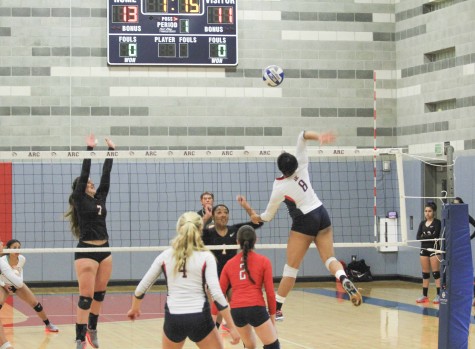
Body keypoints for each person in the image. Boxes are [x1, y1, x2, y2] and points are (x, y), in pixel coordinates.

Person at [249, 130, 362, 321]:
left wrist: (256, 217)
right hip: (321, 212)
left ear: (280, 168)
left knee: (291, 268)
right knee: (329, 259)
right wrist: (320, 137)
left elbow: (267, 217)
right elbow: (301, 135)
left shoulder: (279, 187)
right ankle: (343, 278)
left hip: (304, 220)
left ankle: (277, 309)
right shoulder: (301, 164)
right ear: (293, 162)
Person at [127, 211, 240, 349]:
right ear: (200, 230)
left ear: (178, 229)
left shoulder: (165, 256)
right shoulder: (206, 256)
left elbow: (141, 288)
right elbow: (216, 294)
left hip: (174, 319)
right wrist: (232, 327)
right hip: (200, 318)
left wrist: (135, 308)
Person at [64, 134, 116, 349]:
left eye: (93, 184)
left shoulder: (99, 199)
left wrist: (111, 151)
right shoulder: (79, 198)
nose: (92, 185)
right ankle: (79, 338)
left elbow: (106, 176)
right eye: (89, 184)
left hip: (105, 250)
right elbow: (85, 173)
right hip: (86, 250)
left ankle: (92, 330)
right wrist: (89, 149)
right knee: (85, 298)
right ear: (82, 187)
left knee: (99, 295)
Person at [203, 197, 263, 328]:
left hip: (232, 278)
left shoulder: (235, 230)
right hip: (214, 278)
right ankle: (214, 337)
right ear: (213, 216)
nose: (223, 214)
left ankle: (246, 340)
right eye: (219, 212)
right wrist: (205, 217)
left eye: (225, 212)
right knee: (215, 310)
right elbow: (193, 234)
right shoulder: (207, 233)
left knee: (238, 307)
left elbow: (258, 223)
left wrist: (246, 206)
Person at [219, 225, 280, 349]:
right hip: (256, 308)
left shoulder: (229, 264)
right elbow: (270, 293)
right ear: (256, 240)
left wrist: (221, 322)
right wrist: (272, 320)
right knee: (273, 346)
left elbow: (219, 294)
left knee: (250, 346)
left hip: (237, 311)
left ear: (237, 242)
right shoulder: (264, 261)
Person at [0, 239, 59, 334]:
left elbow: (19, 274)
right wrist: (3, 284)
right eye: (14, 247)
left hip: (18, 285)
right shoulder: (2, 260)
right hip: (3, 285)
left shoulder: (22, 259)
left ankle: (48, 324)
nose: (17, 249)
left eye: (19, 247)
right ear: (9, 249)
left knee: (36, 304)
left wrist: (19, 284)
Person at [416, 201, 442, 304]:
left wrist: (424, 236)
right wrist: (425, 237)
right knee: (425, 273)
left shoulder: (437, 222)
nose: (427, 213)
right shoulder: (422, 223)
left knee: (436, 273)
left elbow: (435, 236)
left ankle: (439, 295)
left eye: (429, 211)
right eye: (426, 211)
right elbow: (418, 237)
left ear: (434, 212)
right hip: (424, 249)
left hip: (434, 249)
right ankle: (424, 295)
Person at [453, 197, 475, 305]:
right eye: (454, 204)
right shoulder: (450, 216)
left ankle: (471, 295)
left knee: (466, 270)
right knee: (453, 269)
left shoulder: (465, 216)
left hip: (463, 247)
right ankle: (455, 293)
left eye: (458, 204)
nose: (455, 206)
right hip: (453, 245)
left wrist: (469, 238)